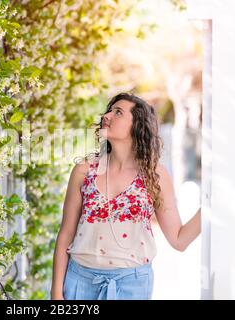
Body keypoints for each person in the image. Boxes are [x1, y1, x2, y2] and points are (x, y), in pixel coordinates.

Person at [50, 92, 201, 300]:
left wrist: (213, 206)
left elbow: (178, 240)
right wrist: (56, 293)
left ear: (136, 126)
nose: (107, 116)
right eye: (109, 110)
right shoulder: (84, 170)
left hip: (132, 285)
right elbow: (66, 233)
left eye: (118, 112)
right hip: (80, 282)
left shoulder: (154, 175)